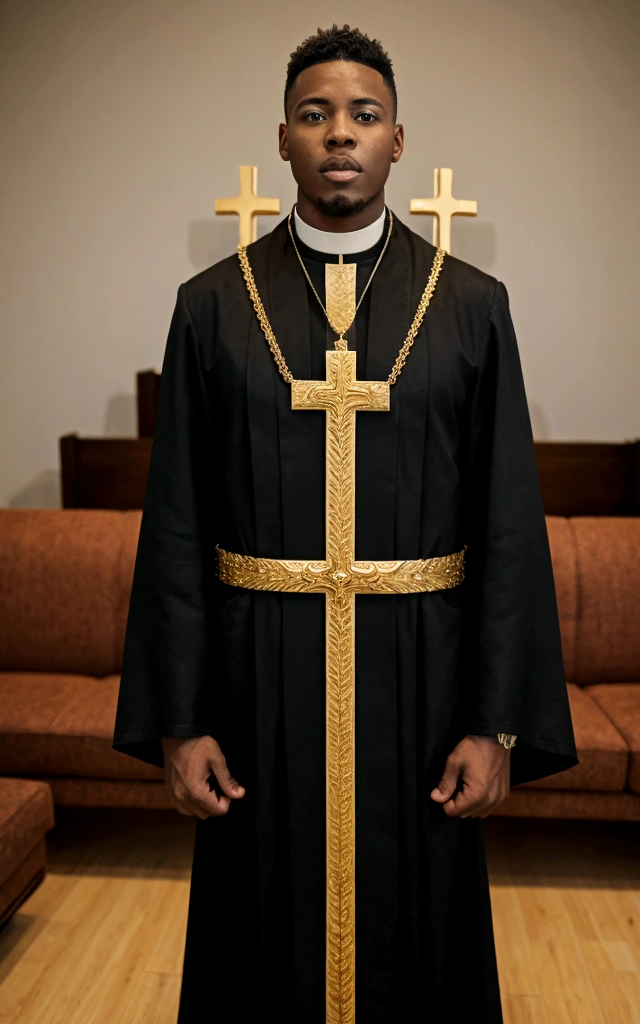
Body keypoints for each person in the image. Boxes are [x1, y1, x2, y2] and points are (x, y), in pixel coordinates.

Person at [114, 24, 576, 1024]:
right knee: (261, 918)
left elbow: (507, 525)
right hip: (256, 678)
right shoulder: (209, 309)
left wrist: (495, 722)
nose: (339, 134)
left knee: (420, 926)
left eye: (363, 115)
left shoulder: (471, 307)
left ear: (397, 141)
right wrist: (179, 720)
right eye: (315, 114)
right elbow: (178, 526)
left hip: (423, 676)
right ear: (283, 138)